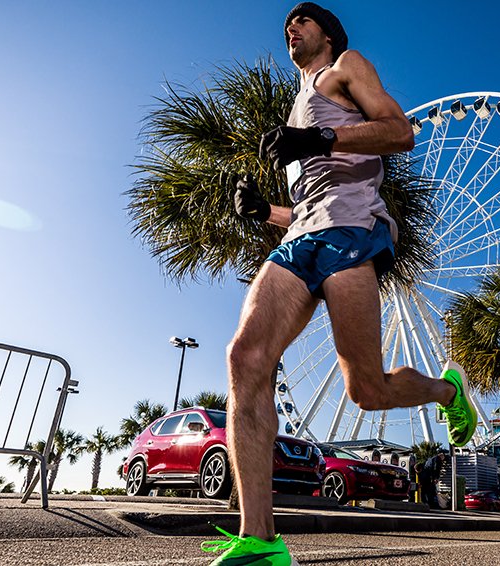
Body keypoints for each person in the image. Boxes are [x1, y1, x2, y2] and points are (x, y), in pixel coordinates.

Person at [202, 4, 478, 564]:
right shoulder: (297, 105)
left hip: (352, 233)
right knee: (245, 357)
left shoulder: (347, 67)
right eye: (286, 27)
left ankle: (446, 391)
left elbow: (400, 132)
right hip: (300, 238)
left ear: (326, 34)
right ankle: (259, 542)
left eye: (302, 22)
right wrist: (263, 212)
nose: (291, 29)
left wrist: (322, 138)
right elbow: (310, 204)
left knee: (366, 391)